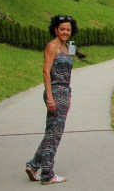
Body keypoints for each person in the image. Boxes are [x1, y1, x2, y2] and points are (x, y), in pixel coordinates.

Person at [25, 15, 78, 185]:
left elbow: (69, 72)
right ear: (55, 29)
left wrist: (68, 94)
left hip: (64, 92)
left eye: (68, 29)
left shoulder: (68, 47)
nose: (65, 32)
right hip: (55, 92)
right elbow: (46, 72)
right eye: (62, 29)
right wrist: (50, 98)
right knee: (54, 135)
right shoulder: (52, 46)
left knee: (52, 133)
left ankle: (34, 166)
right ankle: (47, 174)